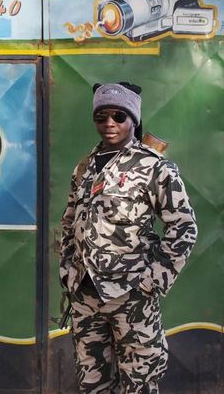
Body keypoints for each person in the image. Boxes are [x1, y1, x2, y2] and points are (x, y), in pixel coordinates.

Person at [59, 82, 197, 393]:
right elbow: (69, 223)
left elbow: (184, 228)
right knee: (92, 380)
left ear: (133, 119)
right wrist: (68, 270)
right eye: (102, 116)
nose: (110, 123)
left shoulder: (154, 167)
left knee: (140, 381)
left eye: (119, 116)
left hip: (131, 295)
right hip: (85, 294)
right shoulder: (84, 167)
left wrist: (153, 279)